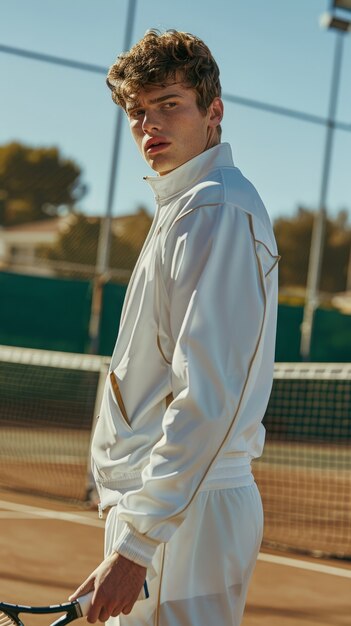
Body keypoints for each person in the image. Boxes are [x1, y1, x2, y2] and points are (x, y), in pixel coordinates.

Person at [70, 29, 279, 626]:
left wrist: (137, 546)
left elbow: (208, 396)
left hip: (188, 515)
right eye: (138, 111)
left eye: (169, 105)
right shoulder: (190, 206)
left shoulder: (214, 207)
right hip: (176, 508)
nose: (148, 125)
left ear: (213, 113)